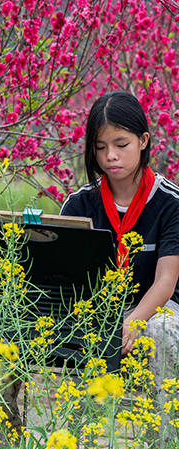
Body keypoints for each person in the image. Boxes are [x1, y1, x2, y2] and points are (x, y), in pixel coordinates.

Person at [60, 91, 179, 378]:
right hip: (97, 309)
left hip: (158, 309)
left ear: (143, 141)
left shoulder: (170, 203)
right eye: (100, 147)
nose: (110, 156)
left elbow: (166, 280)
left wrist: (133, 322)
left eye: (121, 144)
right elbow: (66, 277)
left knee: (162, 332)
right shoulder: (79, 204)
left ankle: (164, 424)